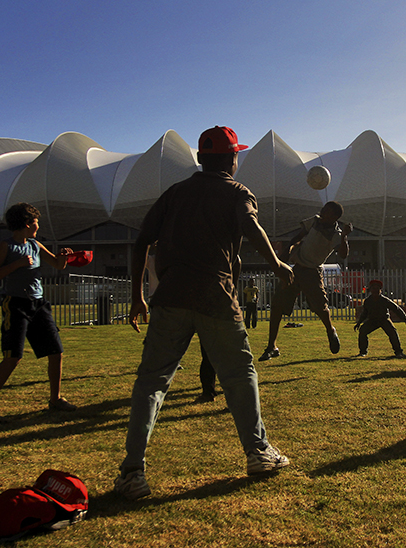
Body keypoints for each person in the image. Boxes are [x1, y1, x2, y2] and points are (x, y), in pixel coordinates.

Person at [115, 126, 294, 500]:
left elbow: (142, 241)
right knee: (240, 375)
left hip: (171, 297)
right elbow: (249, 224)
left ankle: (133, 472)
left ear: (199, 158)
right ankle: (259, 452)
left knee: (152, 382)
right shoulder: (237, 192)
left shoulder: (175, 193)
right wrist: (277, 264)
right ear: (233, 158)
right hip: (216, 296)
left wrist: (137, 296)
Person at [0, 203, 77, 424]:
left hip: (38, 304)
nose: (38, 227)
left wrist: (65, 257)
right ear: (27, 224)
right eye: (36, 223)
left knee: (55, 352)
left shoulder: (35, 245)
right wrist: (17, 264)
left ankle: (55, 399)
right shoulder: (6, 246)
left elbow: (58, 265)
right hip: (16, 304)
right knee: (13, 357)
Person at [259, 202, 352, 361]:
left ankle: (330, 330)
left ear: (334, 217)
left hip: (313, 271)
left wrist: (344, 236)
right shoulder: (314, 221)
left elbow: (343, 254)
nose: (322, 212)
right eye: (323, 209)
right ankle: (271, 346)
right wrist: (289, 249)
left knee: (320, 307)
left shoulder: (336, 235)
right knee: (277, 305)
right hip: (296, 269)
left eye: (327, 212)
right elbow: (298, 237)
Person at [145, 244, 219, 404]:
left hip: (171, 303)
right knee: (210, 350)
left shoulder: (161, 259)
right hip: (192, 301)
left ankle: (157, 381)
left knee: (166, 343)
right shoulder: (187, 257)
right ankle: (210, 391)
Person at [354, 279, 406, 358]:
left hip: (384, 319)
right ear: (370, 290)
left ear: (380, 290)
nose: (375, 291)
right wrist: (358, 323)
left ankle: (398, 352)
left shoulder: (385, 300)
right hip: (372, 320)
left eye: (377, 289)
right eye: (373, 288)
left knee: (393, 332)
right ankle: (363, 352)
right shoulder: (368, 301)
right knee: (362, 331)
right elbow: (365, 313)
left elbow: (397, 309)